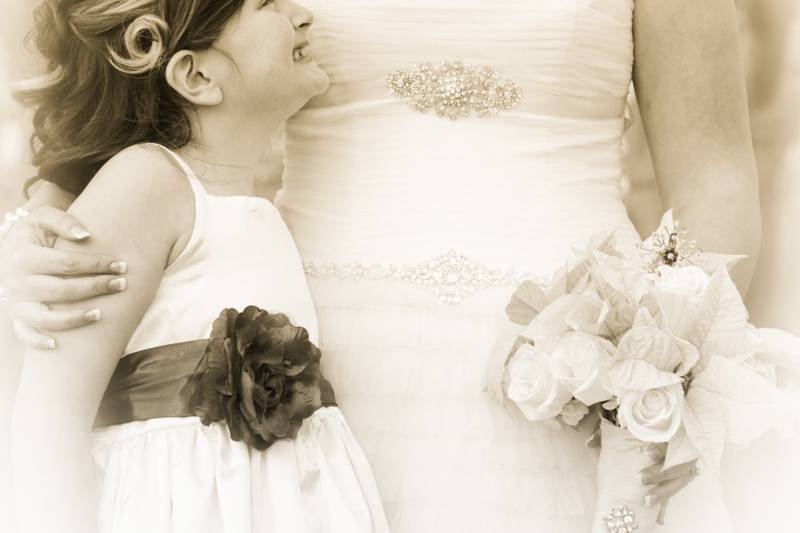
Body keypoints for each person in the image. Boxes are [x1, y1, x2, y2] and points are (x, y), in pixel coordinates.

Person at [2, 1, 764, 532]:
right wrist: (36, 228)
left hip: (581, 395)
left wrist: (654, 362)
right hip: (312, 386)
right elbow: (120, 64)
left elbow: (714, 182)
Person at [6, 1, 388, 532]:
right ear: (196, 73)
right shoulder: (144, 184)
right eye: (268, 4)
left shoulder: (262, 210)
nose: (303, 14)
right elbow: (48, 421)